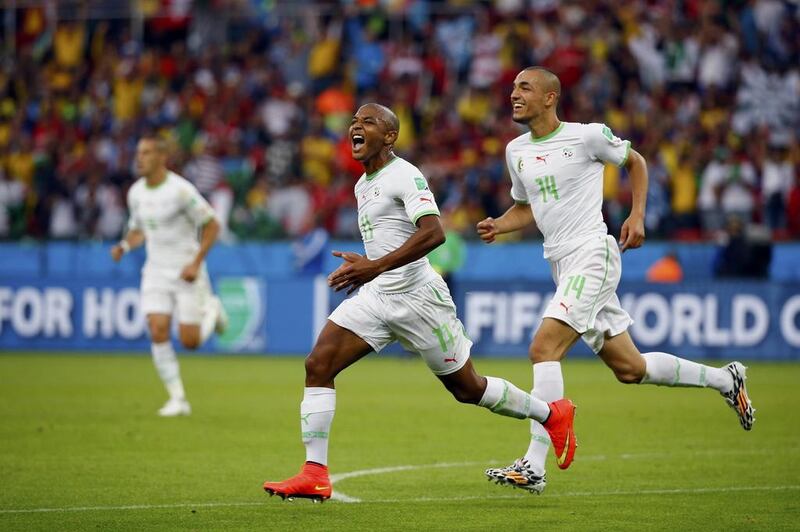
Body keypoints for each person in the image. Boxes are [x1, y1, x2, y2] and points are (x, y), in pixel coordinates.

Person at [262, 103, 577, 502]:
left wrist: (374, 266)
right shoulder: (363, 184)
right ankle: (315, 472)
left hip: (419, 300)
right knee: (318, 364)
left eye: (368, 122)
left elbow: (434, 233)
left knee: (468, 389)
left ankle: (552, 414)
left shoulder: (404, 175)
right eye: (354, 121)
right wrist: (373, 268)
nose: (356, 127)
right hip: (378, 296)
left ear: (390, 136)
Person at [476, 67, 754, 495]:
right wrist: (500, 224)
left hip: (592, 253)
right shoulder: (516, 151)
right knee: (630, 368)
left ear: (550, 98)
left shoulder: (587, 136)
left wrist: (637, 214)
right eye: (513, 87)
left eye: (524, 88)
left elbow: (636, 162)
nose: (513, 94)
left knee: (543, 347)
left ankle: (533, 464)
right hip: (562, 264)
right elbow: (529, 207)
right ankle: (725, 379)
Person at [111, 135, 228, 417]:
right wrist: (125, 245)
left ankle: (212, 309)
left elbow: (213, 225)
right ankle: (178, 399)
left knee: (190, 342)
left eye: (147, 153)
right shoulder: (136, 193)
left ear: (162, 158)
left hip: (186, 270)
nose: (140, 158)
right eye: (139, 152)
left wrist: (196, 263)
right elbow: (139, 229)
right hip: (154, 271)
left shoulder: (180, 191)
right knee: (158, 328)